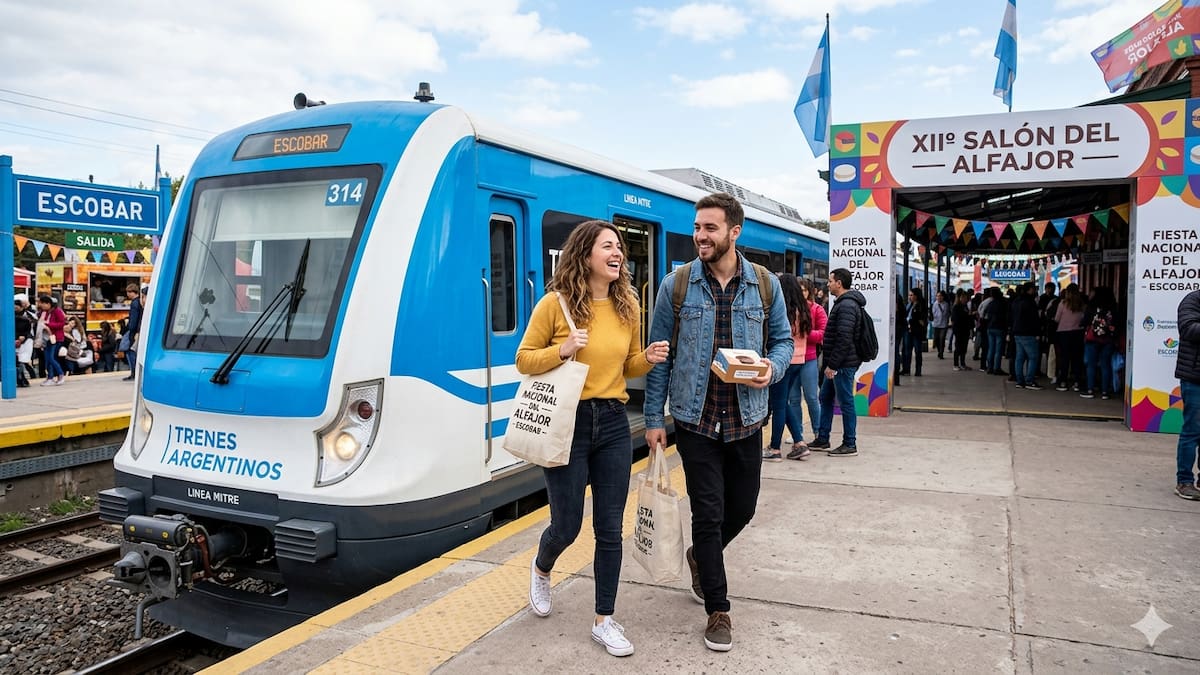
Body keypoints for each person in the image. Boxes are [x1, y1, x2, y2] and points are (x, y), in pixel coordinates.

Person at [644, 192, 791, 653]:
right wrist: (654, 419)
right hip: (696, 420)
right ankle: (718, 609)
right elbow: (660, 358)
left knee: (742, 508)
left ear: (734, 232)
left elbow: (784, 341)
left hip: (746, 419)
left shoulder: (765, 286)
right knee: (707, 513)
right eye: (697, 227)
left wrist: (773, 367)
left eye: (710, 228)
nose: (700, 236)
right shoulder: (678, 285)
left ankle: (700, 559)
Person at [515, 219, 668, 658]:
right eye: (608, 246)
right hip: (568, 422)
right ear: (585, 255)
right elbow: (524, 360)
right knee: (566, 524)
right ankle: (543, 568)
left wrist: (649, 358)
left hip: (614, 422)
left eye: (619, 246)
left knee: (609, 528)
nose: (618, 252)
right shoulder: (554, 305)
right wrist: (561, 350)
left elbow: (627, 368)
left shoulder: (628, 307)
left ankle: (604, 619)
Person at [810, 267, 865, 457]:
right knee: (825, 397)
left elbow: (844, 338)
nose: (827, 284)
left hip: (842, 364)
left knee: (846, 402)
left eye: (830, 281)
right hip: (838, 363)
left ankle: (850, 443)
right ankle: (823, 438)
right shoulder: (843, 303)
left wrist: (832, 365)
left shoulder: (847, 305)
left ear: (839, 283)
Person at [763, 273, 813, 462]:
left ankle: (775, 448)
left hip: (784, 361)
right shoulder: (804, 309)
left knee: (779, 405)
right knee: (783, 402)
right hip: (799, 361)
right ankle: (799, 443)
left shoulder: (784, 310)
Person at [792, 277, 826, 448]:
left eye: (804, 290)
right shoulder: (789, 309)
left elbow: (823, 333)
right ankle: (797, 433)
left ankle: (819, 431)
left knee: (812, 397)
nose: (801, 293)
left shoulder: (817, 310)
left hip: (809, 359)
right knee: (793, 398)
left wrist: (806, 334)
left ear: (809, 292)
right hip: (791, 360)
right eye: (799, 290)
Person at [1173, 288, 1200, 500]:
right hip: (1194, 378)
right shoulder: (1193, 300)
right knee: (1192, 430)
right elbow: (1188, 328)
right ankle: (1184, 481)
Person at [1081, 286, 1118, 399]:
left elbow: (1085, 320)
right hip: (1108, 340)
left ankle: (1090, 389)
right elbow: (1118, 323)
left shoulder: (1092, 306)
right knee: (1105, 365)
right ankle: (1105, 392)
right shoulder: (1113, 307)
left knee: (1091, 365)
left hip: (1092, 339)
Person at [1010, 282, 1043, 390]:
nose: (1035, 291)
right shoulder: (1030, 302)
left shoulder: (1016, 301)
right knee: (1033, 357)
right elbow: (1034, 319)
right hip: (1028, 333)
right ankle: (1029, 380)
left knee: (1019, 358)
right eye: (1033, 289)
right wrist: (1038, 333)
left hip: (1017, 332)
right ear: (1030, 290)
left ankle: (1020, 381)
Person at [36, 294, 67, 386]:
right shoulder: (44, 312)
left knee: (51, 358)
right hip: (46, 338)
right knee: (47, 358)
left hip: (56, 338)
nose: (41, 305)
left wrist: (48, 324)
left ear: (48, 303)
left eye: (42, 303)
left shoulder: (57, 311)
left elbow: (61, 324)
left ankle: (60, 374)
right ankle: (50, 377)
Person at [900, 288, 927, 376]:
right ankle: (906, 369)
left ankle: (918, 370)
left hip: (917, 332)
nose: (909, 297)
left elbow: (921, 320)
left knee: (918, 351)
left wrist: (913, 321)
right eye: (909, 295)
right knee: (906, 351)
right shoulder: (909, 305)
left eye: (911, 295)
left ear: (916, 296)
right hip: (908, 331)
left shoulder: (921, 306)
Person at [122, 283, 144, 380]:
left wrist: (131, 328)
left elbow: (134, 319)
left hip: (134, 331)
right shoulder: (140, 302)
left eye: (128, 292)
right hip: (139, 330)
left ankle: (133, 373)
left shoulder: (134, 303)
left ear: (132, 292)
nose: (127, 294)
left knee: (130, 351)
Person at [13, 295, 34, 387]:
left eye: (16, 307)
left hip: (24, 341)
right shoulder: (10, 316)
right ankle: (21, 379)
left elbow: (29, 330)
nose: (15, 309)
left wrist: (24, 337)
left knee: (21, 361)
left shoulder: (27, 318)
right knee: (18, 361)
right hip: (14, 340)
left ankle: (22, 379)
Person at [950, 290, 973, 371]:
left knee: (964, 348)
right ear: (959, 298)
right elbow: (956, 319)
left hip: (965, 330)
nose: (965, 299)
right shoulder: (956, 307)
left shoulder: (965, 306)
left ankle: (963, 364)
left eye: (966, 297)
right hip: (959, 330)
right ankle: (956, 364)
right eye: (963, 297)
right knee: (958, 348)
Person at [931, 290, 950, 360]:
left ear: (943, 297)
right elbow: (933, 313)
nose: (939, 297)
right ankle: (939, 350)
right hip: (936, 324)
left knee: (942, 339)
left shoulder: (946, 304)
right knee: (936, 339)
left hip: (943, 324)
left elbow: (945, 314)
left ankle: (941, 353)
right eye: (937, 296)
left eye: (940, 296)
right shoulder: (935, 304)